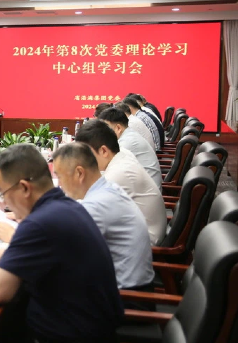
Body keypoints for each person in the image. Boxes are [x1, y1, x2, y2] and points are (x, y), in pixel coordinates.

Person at [0, 144, 123, 343]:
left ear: (24, 188)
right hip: (95, 340)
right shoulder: (66, 207)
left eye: (4, 194)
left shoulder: (40, 223)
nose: (5, 202)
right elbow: (35, 255)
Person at [53, 143, 154, 290]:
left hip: (127, 296)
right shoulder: (108, 188)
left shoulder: (97, 205)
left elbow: (61, 252)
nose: (60, 184)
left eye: (60, 177)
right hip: (127, 286)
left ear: (79, 173)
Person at [75, 120, 167, 246]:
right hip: (139, 230)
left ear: (104, 151)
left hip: (143, 242)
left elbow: (88, 211)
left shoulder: (119, 173)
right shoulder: (122, 153)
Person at [97, 107, 162, 188]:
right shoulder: (129, 135)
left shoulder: (127, 142)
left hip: (143, 190)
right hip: (141, 186)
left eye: (105, 129)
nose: (102, 133)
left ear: (118, 128)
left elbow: (107, 171)